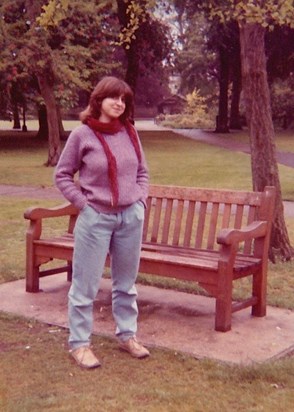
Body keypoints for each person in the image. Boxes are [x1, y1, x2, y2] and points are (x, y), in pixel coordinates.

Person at [55, 76, 150, 369]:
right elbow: (62, 175)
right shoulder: (82, 135)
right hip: (95, 219)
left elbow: (142, 172)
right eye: (113, 97)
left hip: (129, 218)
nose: (119, 103)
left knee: (126, 284)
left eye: (124, 99)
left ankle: (127, 336)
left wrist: (139, 202)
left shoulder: (130, 132)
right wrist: (85, 206)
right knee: (85, 286)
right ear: (99, 99)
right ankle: (80, 344)